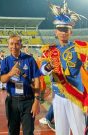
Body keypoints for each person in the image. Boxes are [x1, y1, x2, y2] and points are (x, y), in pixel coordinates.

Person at [40, 1, 88, 135]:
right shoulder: (49, 50)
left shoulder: (80, 47)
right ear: (56, 31)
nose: (63, 32)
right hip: (58, 97)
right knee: (61, 132)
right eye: (60, 29)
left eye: (66, 29)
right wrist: (48, 66)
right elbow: (42, 70)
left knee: (79, 131)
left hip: (74, 96)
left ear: (70, 31)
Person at [0, 34, 41, 135]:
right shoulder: (5, 61)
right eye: (11, 44)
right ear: (8, 46)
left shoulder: (30, 60)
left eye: (17, 44)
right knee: (13, 131)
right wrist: (11, 73)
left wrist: (36, 101)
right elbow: (2, 79)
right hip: (12, 101)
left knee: (28, 131)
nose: (14, 46)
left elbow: (37, 80)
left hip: (28, 101)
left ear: (21, 45)